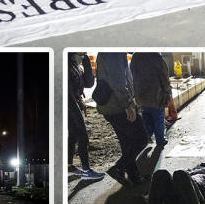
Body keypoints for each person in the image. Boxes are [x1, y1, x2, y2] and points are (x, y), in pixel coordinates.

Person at [94, 52, 150, 187]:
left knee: (127, 142)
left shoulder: (111, 50)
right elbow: (117, 81)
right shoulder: (114, 52)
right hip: (118, 106)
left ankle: (134, 177)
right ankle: (118, 168)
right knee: (141, 138)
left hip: (112, 106)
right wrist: (128, 105)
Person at [67, 52, 105, 182]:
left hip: (73, 104)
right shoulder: (64, 63)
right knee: (82, 135)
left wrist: (86, 60)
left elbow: (88, 83)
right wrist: (76, 106)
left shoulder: (73, 63)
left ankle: (69, 165)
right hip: (69, 106)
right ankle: (86, 171)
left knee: (73, 135)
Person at [131, 52, 173, 149]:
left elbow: (132, 74)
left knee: (146, 117)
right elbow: (164, 77)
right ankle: (160, 140)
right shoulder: (156, 57)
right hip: (156, 94)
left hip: (141, 94)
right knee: (158, 118)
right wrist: (167, 91)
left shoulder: (136, 56)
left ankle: (147, 138)